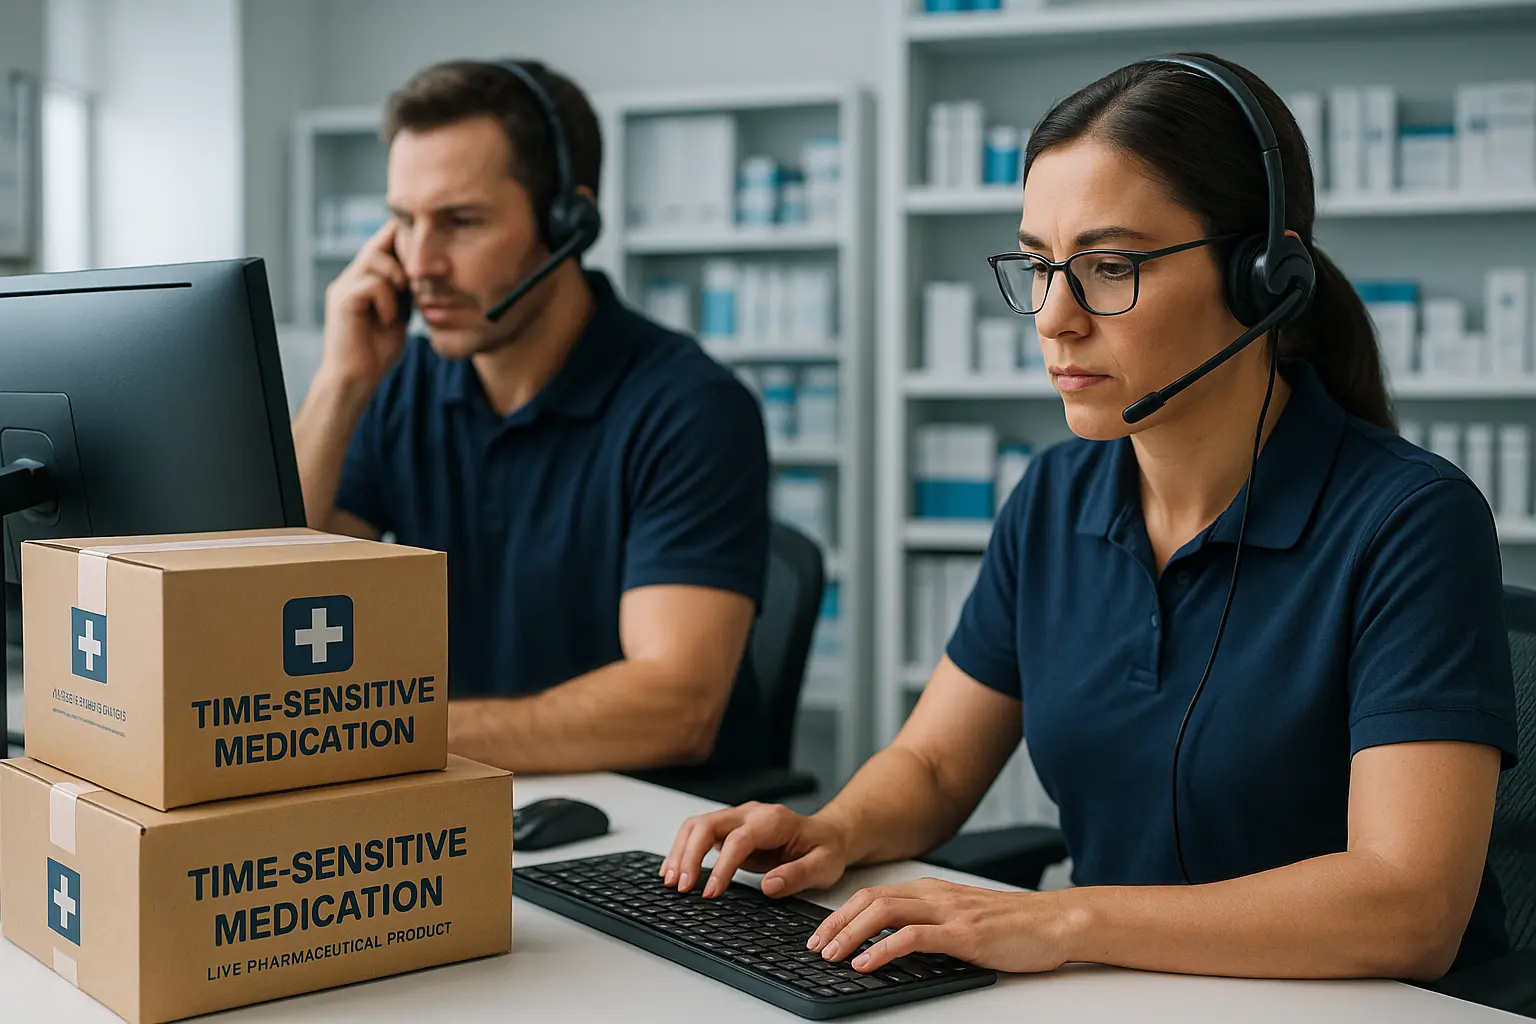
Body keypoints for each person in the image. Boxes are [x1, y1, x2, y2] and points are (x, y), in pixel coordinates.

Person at [663, 53, 1519, 983]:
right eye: (1039, 265)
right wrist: (834, 828)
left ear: (1263, 278)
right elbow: (937, 765)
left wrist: (1061, 918)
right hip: (1122, 991)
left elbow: (1408, 905)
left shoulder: (1410, 523)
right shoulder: (1054, 496)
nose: (1054, 318)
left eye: (1111, 267)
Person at [292, 58, 771, 775]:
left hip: (643, 823)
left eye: (460, 222)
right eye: (403, 222)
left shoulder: (690, 407)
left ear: (567, 223)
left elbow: (676, 707)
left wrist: (379, 731)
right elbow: (260, 593)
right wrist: (340, 382)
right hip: (459, 791)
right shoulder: (399, 385)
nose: (420, 264)